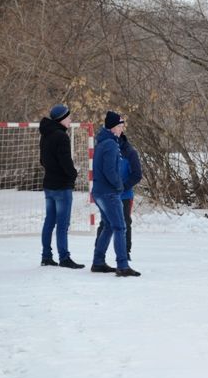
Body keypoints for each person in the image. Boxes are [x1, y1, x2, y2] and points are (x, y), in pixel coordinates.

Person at [91, 111, 141, 277]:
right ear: (113, 127)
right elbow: (110, 171)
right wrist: (119, 186)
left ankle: (98, 262)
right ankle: (122, 266)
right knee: (120, 226)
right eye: (120, 126)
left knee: (108, 226)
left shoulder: (102, 142)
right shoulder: (111, 144)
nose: (122, 129)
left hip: (99, 192)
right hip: (108, 193)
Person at [38, 104, 84, 268]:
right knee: (63, 224)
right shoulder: (61, 136)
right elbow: (66, 163)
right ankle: (64, 258)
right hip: (61, 187)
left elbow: (42, 161)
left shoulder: (45, 134)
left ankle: (46, 256)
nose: (71, 119)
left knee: (49, 221)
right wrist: (73, 174)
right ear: (62, 119)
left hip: (48, 185)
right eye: (69, 117)